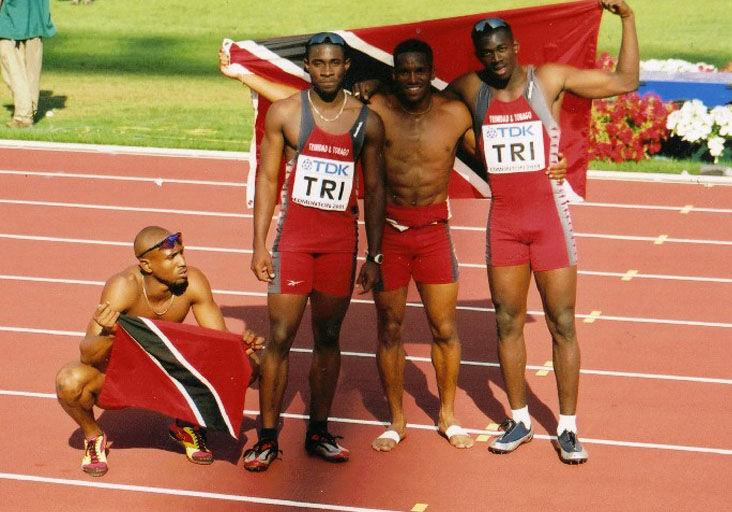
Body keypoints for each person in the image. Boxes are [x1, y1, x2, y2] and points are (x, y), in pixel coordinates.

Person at [220, 38, 566, 454]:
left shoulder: (454, 113)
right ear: (394, 74)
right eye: (404, 71)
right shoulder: (376, 110)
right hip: (386, 233)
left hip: (435, 231)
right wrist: (247, 75)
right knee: (386, 330)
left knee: (443, 328)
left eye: (421, 71)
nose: (413, 78)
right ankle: (395, 421)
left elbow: (500, 146)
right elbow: (304, 105)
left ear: (431, 72)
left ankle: (448, 417)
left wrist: (551, 161)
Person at [444, 0, 639, 463]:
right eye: (486, 53)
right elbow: (425, 115)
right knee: (507, 322)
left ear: (515, 45)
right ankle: (519, 419)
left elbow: (626, 82)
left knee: (563, 323)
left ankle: (568, 428)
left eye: (501, 49)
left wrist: (628, 20)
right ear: (479, 55)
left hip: (550, 222)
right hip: (505, 225)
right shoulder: (470, 88)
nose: (495, 59)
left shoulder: (547, 79)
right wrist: (478, 154)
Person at [242, 32, 385, 472]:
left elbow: (377, 190)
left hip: (340, 245)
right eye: (318, 63)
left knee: (328, 338)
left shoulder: (367, 121)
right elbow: (268, 179)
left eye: (334, 63)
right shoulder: (286, 113)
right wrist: (259, 243)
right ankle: (267, 438)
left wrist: (374, 256)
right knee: (280, 337)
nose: (326, 70)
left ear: (347, 67)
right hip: (295, 242)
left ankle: (318, 430)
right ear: (308, 66)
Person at [55, 226, 265, 477]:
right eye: (172, 258)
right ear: (146, 265)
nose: (182, 263)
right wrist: (111, 334)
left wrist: (244, 349)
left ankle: (186, 426)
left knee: (246, 366)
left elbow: (218, 342)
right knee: (69, 382)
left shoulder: (193, 283)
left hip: (167, 372)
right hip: (124, 375)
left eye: (182, 254)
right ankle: (93, 436)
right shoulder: (123, 287)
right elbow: (87, 355)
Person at [0, 0, 56, 128]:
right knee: (31, 68)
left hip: (12, 18)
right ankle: (29, 109)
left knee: (12, 67)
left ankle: (23, 115)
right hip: (37, 16)